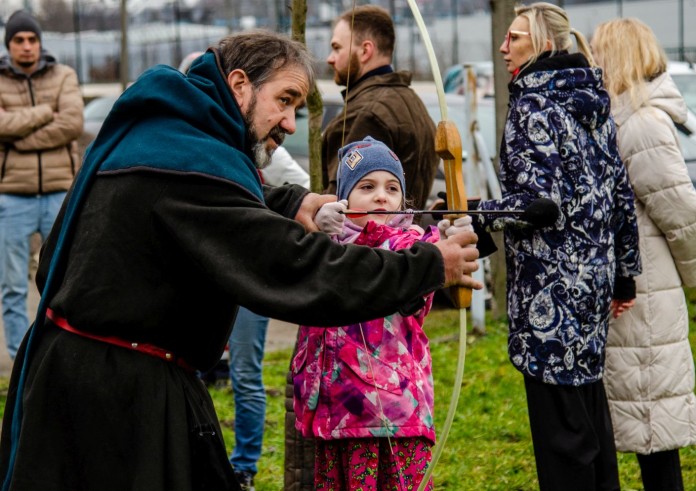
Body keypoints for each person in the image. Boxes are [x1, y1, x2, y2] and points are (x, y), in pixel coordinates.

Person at [0, 31, 483, 491]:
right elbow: (294, 266)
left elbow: (205, 204)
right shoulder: (190, 164)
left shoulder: (161, 134)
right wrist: (426, 266)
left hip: (78, 375)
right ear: (239, 85)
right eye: (285, 99)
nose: (291, 122)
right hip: (116, 400)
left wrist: (292, 203)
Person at [474, 3, 642, 490]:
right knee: (587, 413)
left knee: (562, 435)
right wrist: (623, 275)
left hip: (550, 296)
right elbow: (618, 195)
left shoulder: (531, 104)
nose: (504, 48)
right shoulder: (590, 98)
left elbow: (539, 205)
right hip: (591, 289)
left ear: (543, 45)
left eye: (515, 38)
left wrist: (476, 211)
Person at [292, 136, 473, 490]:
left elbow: (423, 259)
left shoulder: (406, 246)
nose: (381, 196)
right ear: (342, 198)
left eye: (392, 188)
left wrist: (448, 243)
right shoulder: (322, 246)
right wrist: (310, 221)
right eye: (367, 186)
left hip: (393, 417)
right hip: (333, 416)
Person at [591, 18, 696, 491]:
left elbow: (683, 216)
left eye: (598, 52)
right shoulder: (625, 119)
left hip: (649, 301)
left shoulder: (640, 124)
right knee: (643, 423)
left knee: (654, 430)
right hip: (641, 294)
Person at [0, 9, 83, 360]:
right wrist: (43, 112)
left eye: (32, 39)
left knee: (64, 279)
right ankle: (23, 358)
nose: (27, 46)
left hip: (58, 195)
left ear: (40, 42)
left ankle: (57, 354)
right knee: (12, 286)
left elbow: (72, 124)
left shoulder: (64, 75)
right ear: (9, 45)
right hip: (11, 196)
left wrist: (18, 136)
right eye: (19, 40)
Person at [228, 145, 310, 491]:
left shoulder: (261, 149)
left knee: (245, 373)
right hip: (205, 274)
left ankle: (244, 468)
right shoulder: (197, 143)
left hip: (247, 278)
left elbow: (302, 190)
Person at [321, 5, 438, 212]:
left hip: (368, 240)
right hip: (401, 237)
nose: (330, 58)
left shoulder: (367, 113)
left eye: (337, 48)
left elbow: (337, 201)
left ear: (365, 51)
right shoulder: (413, 101)